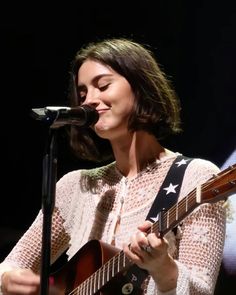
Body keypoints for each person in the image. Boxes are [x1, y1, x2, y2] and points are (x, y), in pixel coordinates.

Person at [0, 38, 226, 295]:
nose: (89, 101)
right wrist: (7, 280)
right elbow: (12, 265)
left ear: (140, 86)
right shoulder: (76, 186)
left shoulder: (197, 177)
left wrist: (164, 269)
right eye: (83, 94)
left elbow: (202, 289)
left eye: (103, 85)